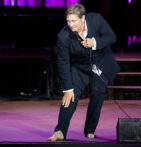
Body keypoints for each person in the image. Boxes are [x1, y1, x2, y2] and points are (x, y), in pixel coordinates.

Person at [48, 3, 120, 141]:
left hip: (100, 64)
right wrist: (67, 88)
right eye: (68, 21)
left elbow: (111, 37)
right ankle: (60, 131)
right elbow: (63, 62)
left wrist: (95, 42)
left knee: (97, 95)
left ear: (83, 18)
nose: (70, 25)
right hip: (80, 66)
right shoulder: (63, 37)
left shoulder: (96, 20)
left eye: (74, 21)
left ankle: (90, 130)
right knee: (69, 97)